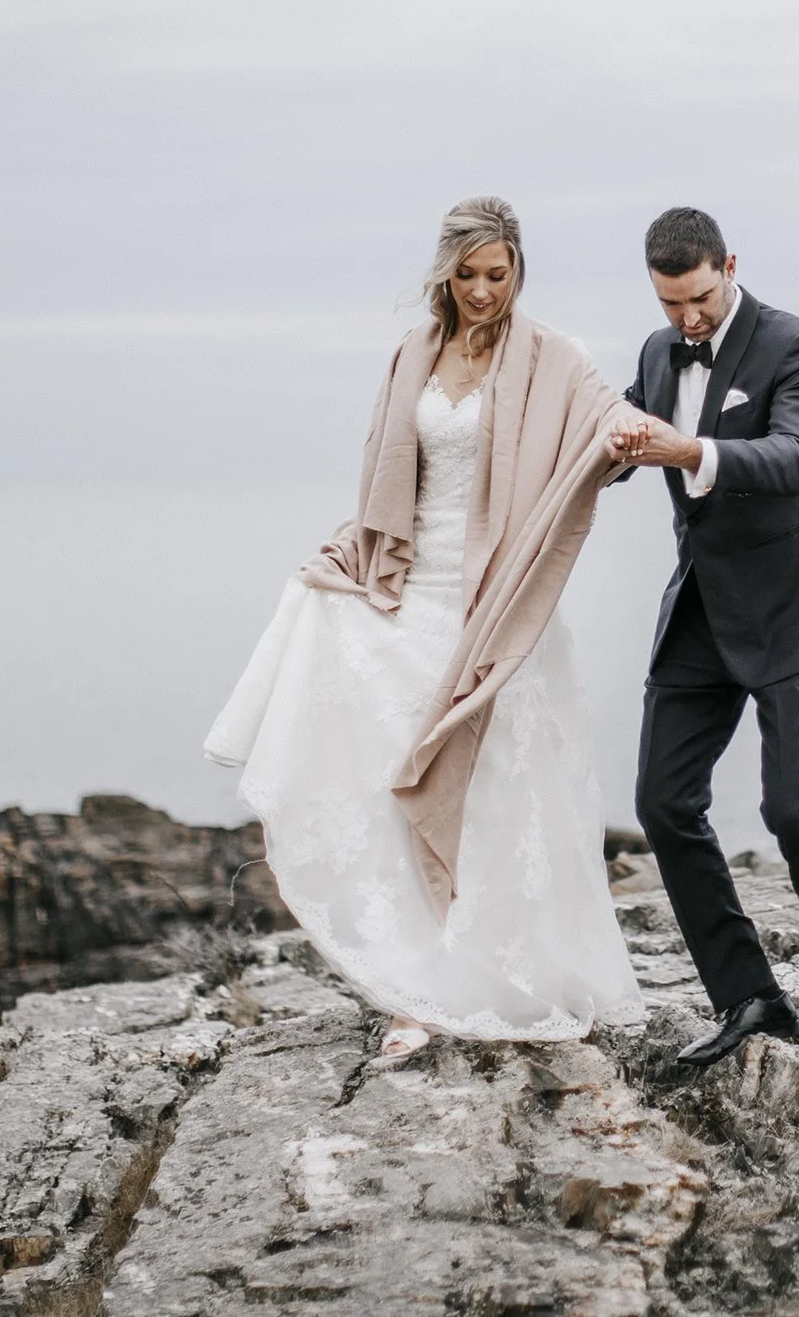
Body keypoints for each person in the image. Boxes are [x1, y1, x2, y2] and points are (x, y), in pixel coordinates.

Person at [205, 197, 645, 1057]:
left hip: (492, 600)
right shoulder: (414, 351)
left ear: (518, 270)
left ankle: (504, 969)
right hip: (415, 587)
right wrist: (362, 553)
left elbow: (604, 422)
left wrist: (629, 432)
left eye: (500, 273)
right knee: (390, 776)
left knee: (499, 790)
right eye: (469, 274)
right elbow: (385, 470)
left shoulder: (553, 356)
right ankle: (420, 983)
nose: (484, 292)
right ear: (445, 271)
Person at [606, 208, 799, 1071]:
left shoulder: (798, 345)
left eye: (700, 298)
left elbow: (796, 455)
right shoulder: (658, 354)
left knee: (792, 810)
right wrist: (605, 447)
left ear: (729, 265)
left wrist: (688, 448)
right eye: (672, 305)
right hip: (702, 607)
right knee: (662, 802)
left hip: (793, 608)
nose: (688, 320)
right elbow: (626, 436)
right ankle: (750, 997)